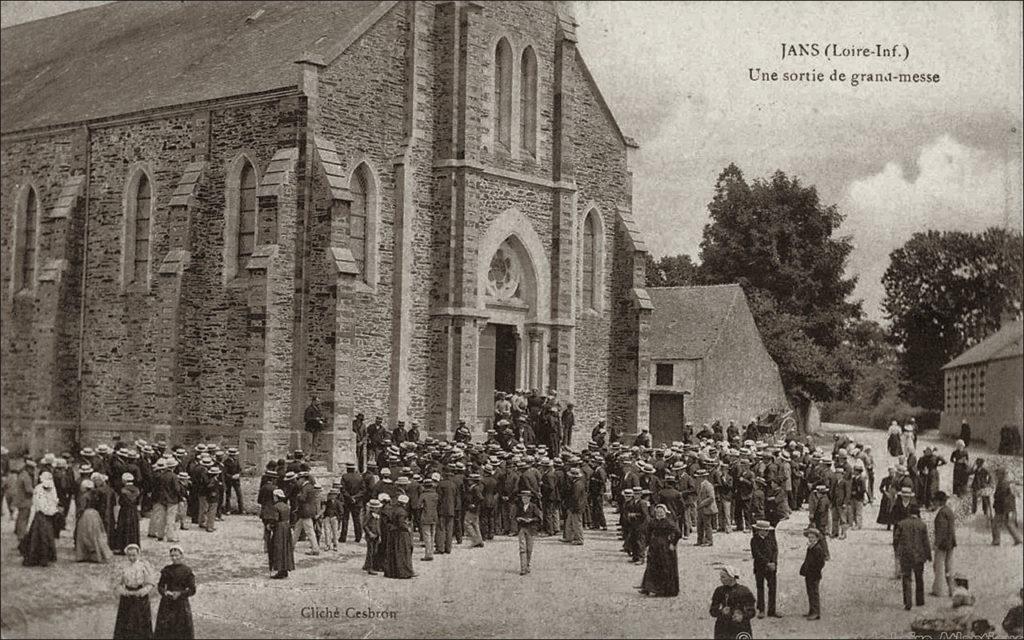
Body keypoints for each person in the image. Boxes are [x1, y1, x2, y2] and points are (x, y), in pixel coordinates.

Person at [112, 543, 156, 640]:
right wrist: (123, 591)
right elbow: (117, 582)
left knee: (140, 621)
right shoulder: (124, 567)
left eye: (134, 555)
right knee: (126, 621)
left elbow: (151, 583)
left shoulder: (144, 566)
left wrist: (142, 591)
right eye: (129, 555)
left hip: (140, 597)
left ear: (138, 554)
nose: (132, 558)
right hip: (127, 597)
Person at [154, 545, 196, 640]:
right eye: (172, 556)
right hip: (167, 603)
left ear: (182, 556)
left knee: (181, 629)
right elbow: (160, 586)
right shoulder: (167, 569)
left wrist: (180, 593)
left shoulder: (187, 571)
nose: (174, 558)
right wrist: (165, 592)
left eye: (176, 555)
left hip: (181, 604)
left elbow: (192, 589)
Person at [19, 471, 60, 567]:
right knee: (41, 537)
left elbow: (54, 500)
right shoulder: (39, 489)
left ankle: (44, 558)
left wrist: (52, 510)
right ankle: (40, 558)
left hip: (46, 516)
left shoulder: (52, 488)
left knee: (44, 537)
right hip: (41, 516)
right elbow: (38, 504)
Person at [896, 504, 932, 610]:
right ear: (918, 513)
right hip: (919, 556)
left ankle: (908, 602)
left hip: (906, 555)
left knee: (906, 578)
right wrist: (928, 555)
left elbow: (896, 539)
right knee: (919, 578)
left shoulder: (901, 524)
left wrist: (898, 552)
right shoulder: (922, 525)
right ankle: (919, 601)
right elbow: (926, 542)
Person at [640, 503, 681, 597]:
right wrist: (646, 544)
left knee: (664, 567)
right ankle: (649, 587)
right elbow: (648, 532)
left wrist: (673, 543)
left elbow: (678, 533)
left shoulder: (668, 522)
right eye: (657, 512)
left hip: (665, 547)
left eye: (661, 512)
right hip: (654, 546)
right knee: (652, 566)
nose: (659, 514)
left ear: (665, 512)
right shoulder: (653, 522)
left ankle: (663, 589)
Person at [709, 565, 756, 640]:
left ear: (731, 577)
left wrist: (742, 616)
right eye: (720, 577)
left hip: (740, 627)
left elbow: (752, 611)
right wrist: (721, 612)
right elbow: (712, 611)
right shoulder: (719, 591)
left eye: (723, 577)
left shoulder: (744, 591)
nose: (720, 579)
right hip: (723, 627)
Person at [75, 479, 115, 563]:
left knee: (84, 535)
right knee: (96, 534)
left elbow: (82, 507)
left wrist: (78, 515)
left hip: (86, 515)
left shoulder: (84, 496)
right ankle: (98, 553)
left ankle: (85, 554)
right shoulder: (95, 495)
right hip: (95, 514)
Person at [750, 520, 780, 618]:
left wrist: (774, 562)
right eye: (765, 530)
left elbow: (775, 551)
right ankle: (761, 609)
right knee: (760, 588)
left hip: (771, 567)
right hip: (760, 567)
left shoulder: (771, 538)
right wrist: (767, 563)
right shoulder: (754, 540)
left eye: (767, 530)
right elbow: (756, 554)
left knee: (772, 588)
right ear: (759, 530)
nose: (766, 532)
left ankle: (772, 610)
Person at [932, 491, 956, 597]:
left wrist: (936, 544)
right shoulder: (949, 511)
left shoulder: (941, 513)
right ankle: (952, 589)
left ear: (938, 501)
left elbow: (941, 530)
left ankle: (938, 590)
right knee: (948, 567)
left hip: (943, 544)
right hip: (950, 542)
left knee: (938, 566)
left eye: (935, 501)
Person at [385, 494, 415, 579]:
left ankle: (393, 572)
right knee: (403, 552)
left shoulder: (393, 509)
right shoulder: (402, 512)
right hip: (401, 534)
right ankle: (404, 572)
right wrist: (408, 527)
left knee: (395, 552)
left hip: (393, 533)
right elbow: (401, 524)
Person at [799, 527, 827, 620]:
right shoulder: (811, 547)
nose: (810, 539)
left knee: (814, 593)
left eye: (812, 537)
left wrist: (815, 570)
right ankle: (812, 610)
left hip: (814, 574)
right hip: (809, 574)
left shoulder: (818, 548)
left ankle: (815, 612)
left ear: (817, 538)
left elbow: (821, 563)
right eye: (809, 537)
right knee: (810, 592)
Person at [267, 489, 295, 579]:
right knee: (286, 548)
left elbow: (275, 519)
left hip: (279, 528)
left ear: (276, 497)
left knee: (278, 548)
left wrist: (270, 526)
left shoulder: (275, 506)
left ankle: (279, 570)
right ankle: (285, 569)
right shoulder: (286, 506)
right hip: (286, 527)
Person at [991, 467, 1023, 546]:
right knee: (1008, 524)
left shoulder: (1003, 484)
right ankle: (1018, 539)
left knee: (996, 524)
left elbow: (1003, 498)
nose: (995, 476)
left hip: (1002, 508)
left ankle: (996, 540)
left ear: (1001, 475)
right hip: (1005, 508)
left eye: (997, 475)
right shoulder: (1005, 483)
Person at [112, 473, 142, 554]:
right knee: (133, 529)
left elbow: (121, 502)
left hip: (125, 511)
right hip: (134, 511)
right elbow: (138, 502)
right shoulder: (137, 490)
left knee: (123, 528)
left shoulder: (123, 491)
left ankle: (123, 547)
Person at [515, 490, 543, 575]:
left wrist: (531, 520)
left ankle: (528, 565)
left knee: (529, 548)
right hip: (521, 528)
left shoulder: (533, 507)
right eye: (523, 498)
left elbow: (539, 518)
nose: (524, 499)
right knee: (522, 548)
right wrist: (518, 518)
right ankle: (523, 568)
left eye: (526, 498)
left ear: (529, 498)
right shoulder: (519, 506)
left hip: (531, 529)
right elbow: (515, 516)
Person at [696, 468, 717, 547]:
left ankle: (709, 540)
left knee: (707, 525)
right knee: (699, 525)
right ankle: (700, 540)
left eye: (698, 477)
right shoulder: (701, 485)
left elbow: (711, 498)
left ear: (703, 477)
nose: (697, 478)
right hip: (702, 508)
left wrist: (702, 503)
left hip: (707, 508)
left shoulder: (708, 485)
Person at [363, 499, 382, 575]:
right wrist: (369, 533)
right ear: (372, 508)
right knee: (371, 551)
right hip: (370, 535)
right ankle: (370, 568)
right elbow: (364, 525)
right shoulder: (369, 515)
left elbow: (378, 526)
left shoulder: (377, 516)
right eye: (376, 508)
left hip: (376, 535)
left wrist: (379, 535)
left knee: (374, 551)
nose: (377, 510)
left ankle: (368, 565)